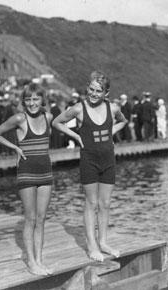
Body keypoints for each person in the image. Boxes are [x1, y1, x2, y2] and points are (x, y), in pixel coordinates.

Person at [52, 71, 127, 262]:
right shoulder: (78, 108)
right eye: (91, 89)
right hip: (89, 160)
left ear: (106, 93)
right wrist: (76, 136)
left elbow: (124, 121)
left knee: (106, 204)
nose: (93, 93)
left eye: (98, 91)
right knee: (91, 203)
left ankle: (103, 242)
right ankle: (92, 245)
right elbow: (56, 122)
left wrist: (111, 132)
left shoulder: (113, 108)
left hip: (109, 159)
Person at [0, 83, 53, 275]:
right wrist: (16, 148)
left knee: (42, 219)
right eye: (28, 100)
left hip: (46, 172)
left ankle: (40, 260)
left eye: (36, 99)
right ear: (23, 101)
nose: (32, 103)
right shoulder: (19, 118)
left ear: (43, 100)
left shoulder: (48, 117)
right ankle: (31, 262)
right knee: (30, 218)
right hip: (26, 172)